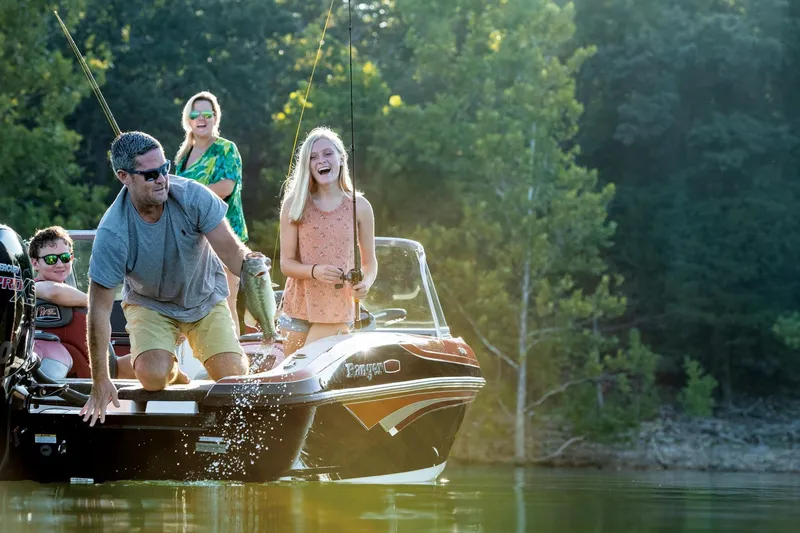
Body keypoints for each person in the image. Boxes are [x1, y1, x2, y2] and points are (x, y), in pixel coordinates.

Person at [81, 131, 262, 427]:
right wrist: (100, 380)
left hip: (204, 296)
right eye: (151, 174)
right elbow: (98, 310)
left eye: (164, 168)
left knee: (232, 377)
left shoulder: (193, 195)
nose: (162, 179)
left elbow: (233, 254)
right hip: (150, 303)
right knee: (153, 378)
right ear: (124, 176)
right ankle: (174, 373)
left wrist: (258, 280)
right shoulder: (113, 233)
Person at [279, 126, 377, 356]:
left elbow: (369, 263)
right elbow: (286, 264)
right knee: (289, 377)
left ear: (341, 158)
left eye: (327, 154)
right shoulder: (295, 204)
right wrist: (315, 271)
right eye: (313, 157)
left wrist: (366, 284)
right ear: (307, 166)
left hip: (338, 310)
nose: (320, 160)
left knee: (304, 366)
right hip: (297, 309)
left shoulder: (360, 206)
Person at [175, 91, 248, 336]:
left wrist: (189, 195)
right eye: (195, 114)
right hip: (192, 241)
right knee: (189, 305)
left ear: (216, 118)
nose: (201, 118)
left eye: (207, 113)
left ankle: (234, 366)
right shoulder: (183, 155)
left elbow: (226, 187)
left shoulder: (226, 149)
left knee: (225, 304)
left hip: (225, 237)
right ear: (188, 119)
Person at [28, 226, 135, 379]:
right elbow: (53, 291)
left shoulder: (68, 294)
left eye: (64, 257)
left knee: (148, 362)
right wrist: (97, 303)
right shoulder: (34, 287)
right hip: (56, 369)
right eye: (51, 259)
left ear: (71, 258)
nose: (59, 264)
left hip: (92, 369)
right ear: (35, 263)